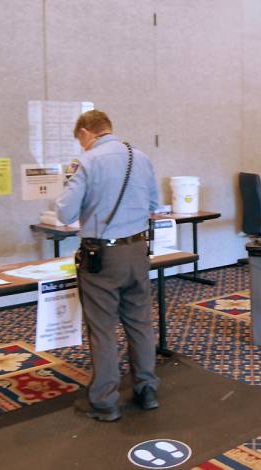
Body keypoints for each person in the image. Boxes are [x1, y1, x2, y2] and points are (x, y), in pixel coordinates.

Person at [55, 110, 160, 422]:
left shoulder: (87, 162)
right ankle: (147, 389)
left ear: (87, 133)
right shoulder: (139, 157)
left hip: (102, 257)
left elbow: (65, 213)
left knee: (102, 328)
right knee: (139, 321)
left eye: (80, 140)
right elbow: (154, 204)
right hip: (138, 250)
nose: (82, 146)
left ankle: (104, 401)